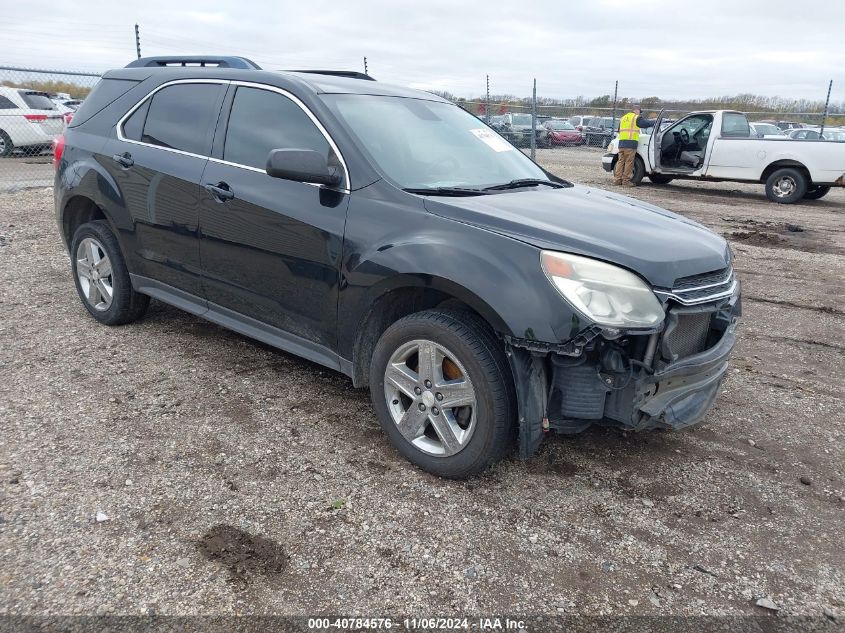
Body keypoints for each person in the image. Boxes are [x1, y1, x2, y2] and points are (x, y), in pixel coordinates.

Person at [614, 105, 657, 186]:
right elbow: (646, 124)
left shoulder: (623, 118)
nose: (640, 114)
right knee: (629, 162)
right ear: (637, 110)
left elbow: (619, 131)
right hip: (630, 144)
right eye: (640, 112)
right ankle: (626, 181)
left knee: (620, 162)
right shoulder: (636, 118)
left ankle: (617, 180)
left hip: (621, 143)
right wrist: (656, 121)